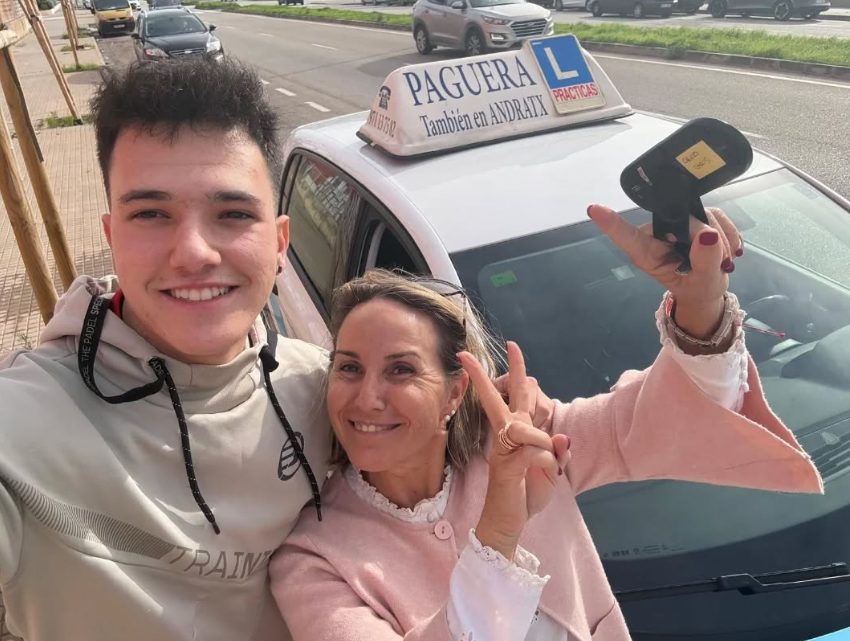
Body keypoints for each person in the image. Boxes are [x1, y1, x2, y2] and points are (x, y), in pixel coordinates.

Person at [270, 221, 824, 641]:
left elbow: (664, 419)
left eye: (401, 369)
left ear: (456, 391)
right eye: (348, 367)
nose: (366, 397)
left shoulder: (527, 441)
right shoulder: (313, 560)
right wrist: (498, 534)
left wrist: (700, 308)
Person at [0, 58, 332, 641]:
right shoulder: (23, 424)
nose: (194, 252)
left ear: (280, 243)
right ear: (110, 238)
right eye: (151, 213)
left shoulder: (326, 390)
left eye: (232, 214)